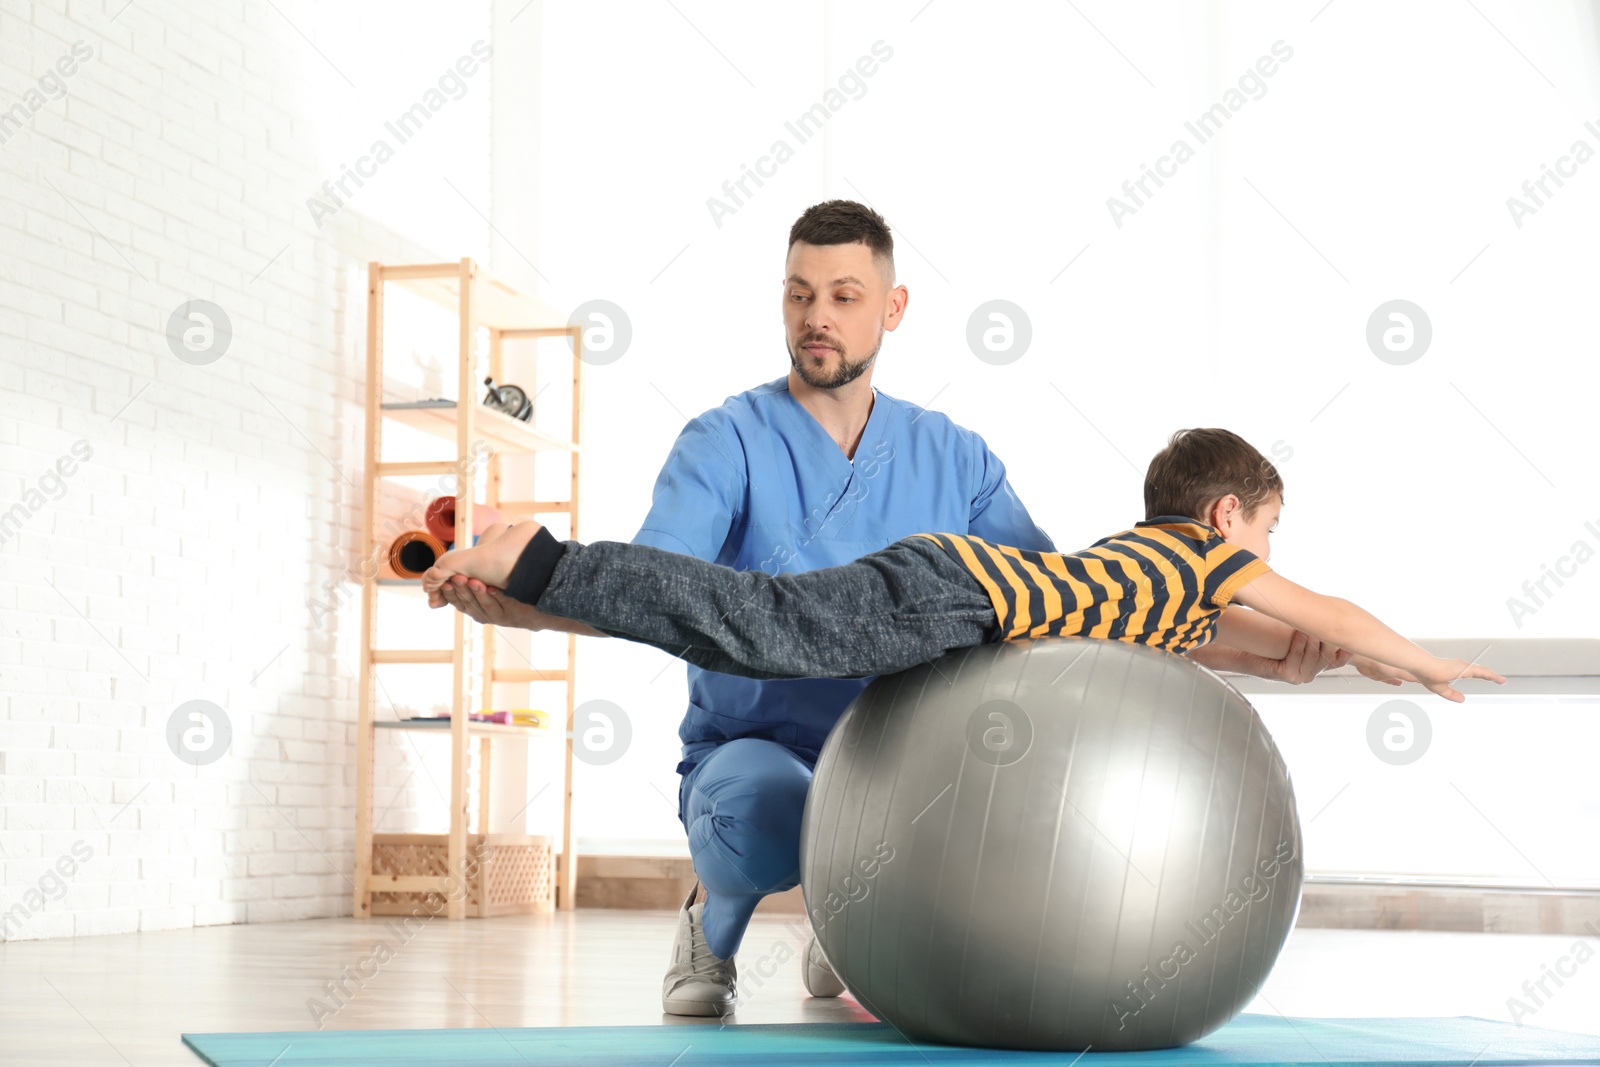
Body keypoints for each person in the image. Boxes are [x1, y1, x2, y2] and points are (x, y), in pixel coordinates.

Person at [435, 205, 1346, 1017]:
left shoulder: (952, 455)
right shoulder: (726, 440)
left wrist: (1261, 653)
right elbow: (660, 595)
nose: (817, 318)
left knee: (976, 803)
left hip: (906, 760)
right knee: (763, 813)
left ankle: (851, 918)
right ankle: (713, 924)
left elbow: (1078, 604)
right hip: (757, 749)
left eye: (842, 295)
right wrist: (532, 609)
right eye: (798, 295)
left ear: (892, 309)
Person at [423, 427, 1505, 703]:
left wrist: (1283, 667)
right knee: (765, 623)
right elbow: (1325, 607)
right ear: (1227, 515)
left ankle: (535, 601)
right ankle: (544, 555)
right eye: (1267, 533)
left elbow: (1218, 640)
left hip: (955, 593)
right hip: (957, 590)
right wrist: (1417, 659)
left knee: (752, 634)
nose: (1268, 561)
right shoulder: (1195, 551)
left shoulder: (1161, 580)